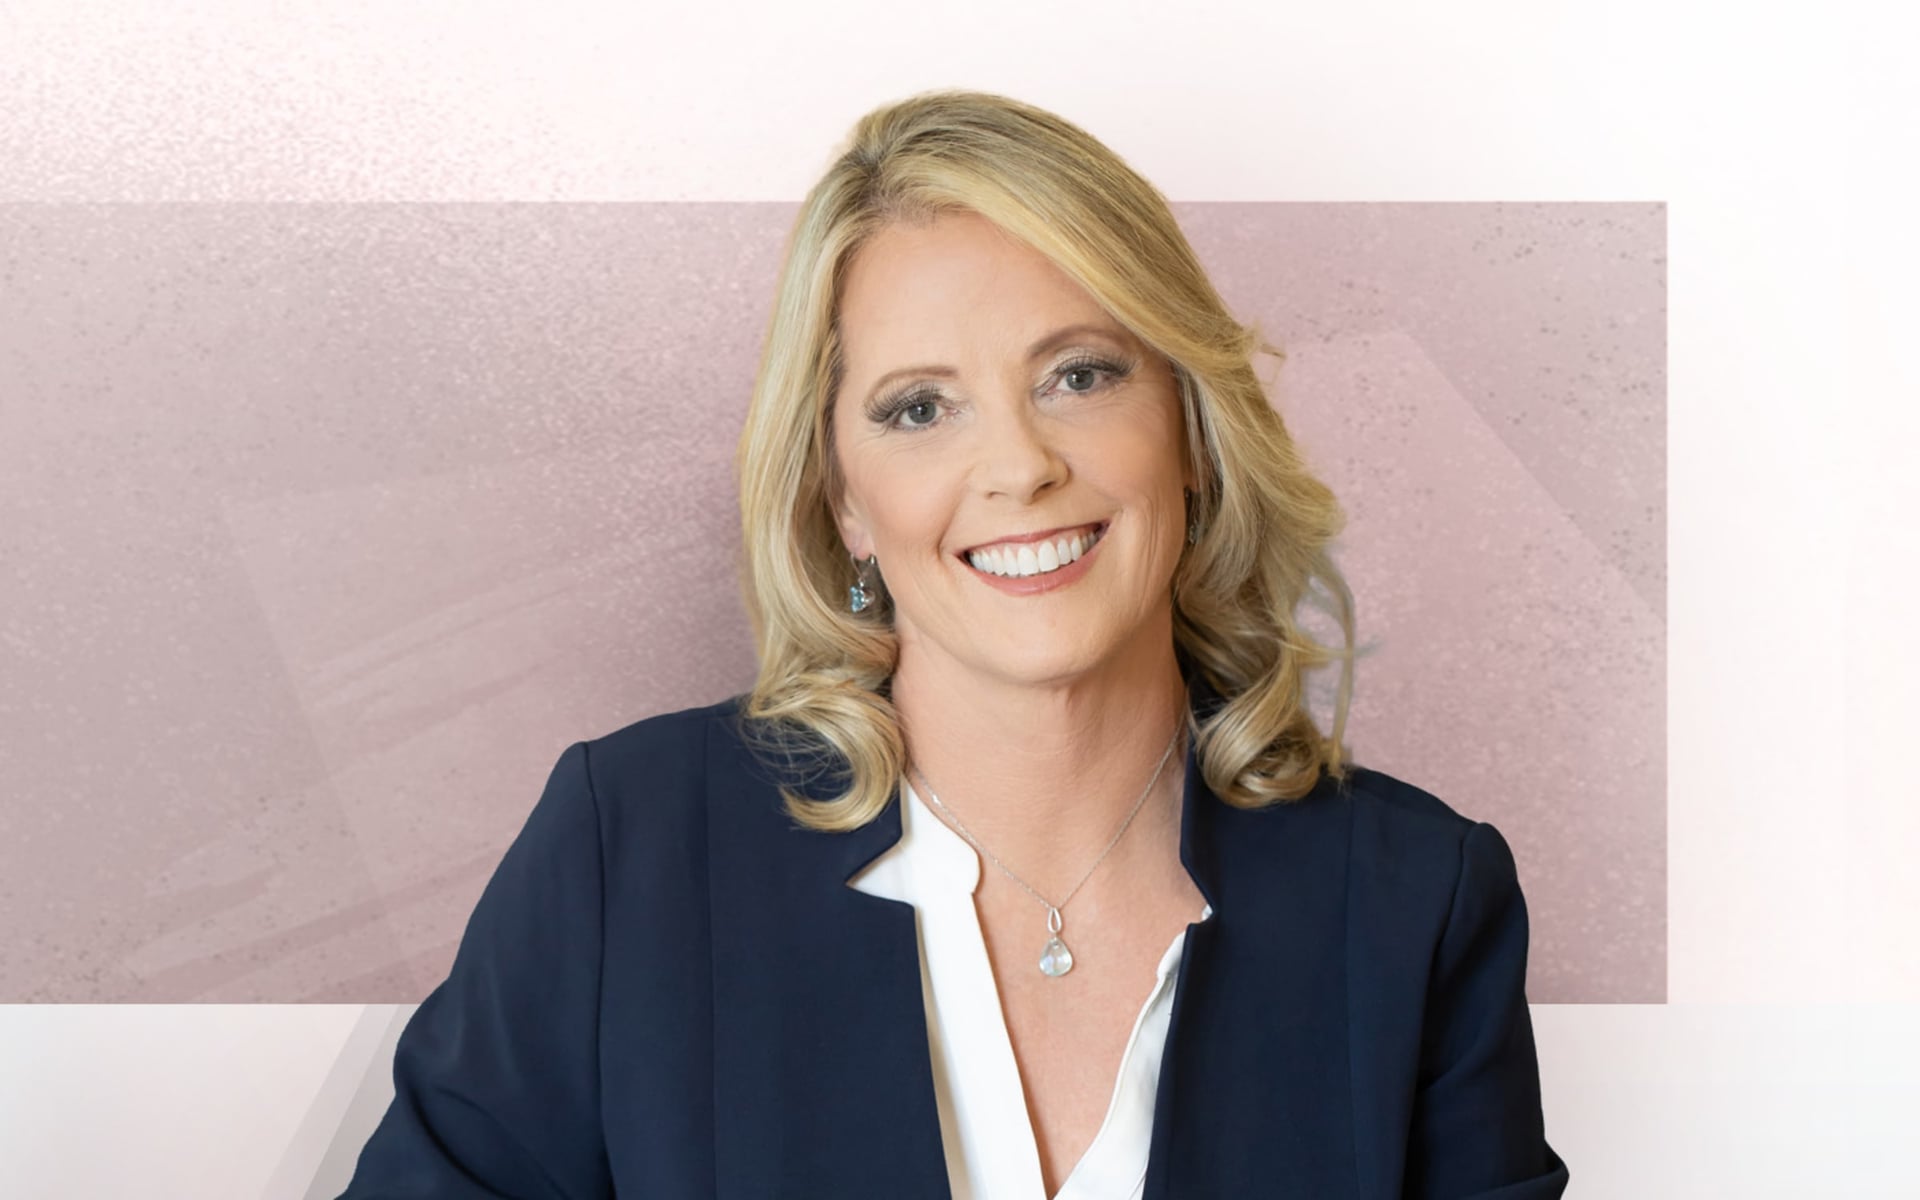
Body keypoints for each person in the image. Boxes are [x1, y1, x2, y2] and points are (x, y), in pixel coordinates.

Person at [338, 90, 1569, 1199]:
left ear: (1190, 431)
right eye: (919, 409)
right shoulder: (632, 850)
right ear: (844, 499)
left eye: (1080, 376)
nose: (1021, 468)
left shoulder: (1418, 901)